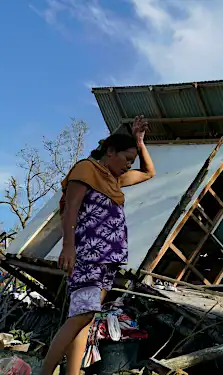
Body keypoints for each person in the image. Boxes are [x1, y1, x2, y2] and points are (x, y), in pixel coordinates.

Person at [41, 116, 155, 375]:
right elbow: (70, 209)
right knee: (81, 316)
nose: (128, 165)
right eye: (126, 158)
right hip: (88, 253)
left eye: (131, 161)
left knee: (86, 317)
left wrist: (139, 142)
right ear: (110, 151)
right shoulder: (86, 169)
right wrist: (68, 247)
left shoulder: (114, 181)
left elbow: (149, 172)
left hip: (108, 257)